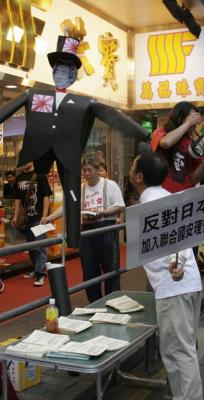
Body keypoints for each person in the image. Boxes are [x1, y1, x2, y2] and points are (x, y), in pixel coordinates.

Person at [0, 35, 147, 249]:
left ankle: (74, 238)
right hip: (39, 148)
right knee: (67, 188)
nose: (59, 73)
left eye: (65, 70)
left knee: (72, 190)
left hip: (67, 151)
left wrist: (142, 133)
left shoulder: (83, 102)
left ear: (73, 76)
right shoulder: (35, 95)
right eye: (57, 69)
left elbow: (110, 115)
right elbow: (9, 108)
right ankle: (73, 238)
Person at [129, 149, 203, 400]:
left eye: (132, 165)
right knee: (182, 349)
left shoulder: (152, 204)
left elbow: (175, 244)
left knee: (179, 353)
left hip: (175, 287)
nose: (130, 169)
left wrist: (175, 263)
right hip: (186, 285)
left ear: (139, 176)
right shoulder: (166, 197)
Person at [46, 159, 125, 302]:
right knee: (89, 270)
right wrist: (49, 217)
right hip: (87, 231)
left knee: (111, 269)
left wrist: (103, 212)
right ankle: (95, 303)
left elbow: (120, 206)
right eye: (84, 171)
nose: (86, 174)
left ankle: (113, 301)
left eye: (89, 170)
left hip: (106, 228)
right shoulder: (80, 188)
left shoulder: (110, 185)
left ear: (97, 170)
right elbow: (67, 206)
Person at [150, 101, 204, 194]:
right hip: (161, 195)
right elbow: (166, 143)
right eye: (192, 117)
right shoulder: (160, 133)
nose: (194, 122)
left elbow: (194, 180)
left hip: (184, 198)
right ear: (179, 117)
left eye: (196, 119)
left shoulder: (193, 145)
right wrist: (188, 123)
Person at [11, 162, 52, 286]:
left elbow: (46, 197)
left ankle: (40, 273)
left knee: (40, 246)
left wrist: (45, 216)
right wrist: (16, 215)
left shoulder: (39, 175)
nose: (24, 164)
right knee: (30, 247)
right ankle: (36, 269)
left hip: (39, 217)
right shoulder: (19, 178)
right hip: (27, 219)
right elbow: (17, 199)